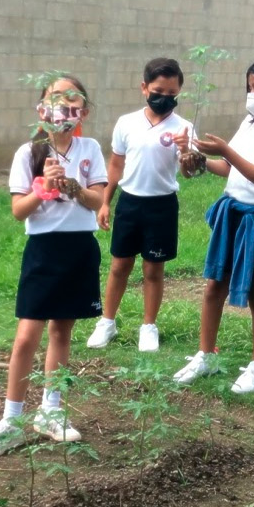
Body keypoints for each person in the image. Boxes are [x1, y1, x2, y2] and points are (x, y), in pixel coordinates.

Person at [172, 54, 254, 394]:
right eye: (250, 87)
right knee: (214, 284)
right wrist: (199, 158)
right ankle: (206, 354)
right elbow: (229, 168)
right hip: (233, 213)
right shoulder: (251, 123)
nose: (253, 94)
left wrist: (226, 153)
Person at [0, 75, 108, 456]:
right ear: (42, 109)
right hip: (43, 251)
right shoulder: (30, 151)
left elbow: (98, 202)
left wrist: (73, 186)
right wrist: (42, 188)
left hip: (79, 249)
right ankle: (11, 417)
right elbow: (17, 210)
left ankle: (51, 411)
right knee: (27, 336)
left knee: (62, 332)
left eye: (73, 99)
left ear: (83, 110)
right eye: (56, 98)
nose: (64, 106)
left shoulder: (90, 148)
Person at [88, 57, 195, 353]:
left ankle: (149, 327)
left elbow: (188, 172)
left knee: (153, 270)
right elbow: (115, 165)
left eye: (172, 93)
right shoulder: (127, 123)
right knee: (119, 265)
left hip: (162, 206)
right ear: (144, 87)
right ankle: (107, 322)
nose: (165, 98)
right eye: (159, 90)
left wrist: (186, 152)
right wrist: (105, 202)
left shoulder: (184, 128)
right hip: (130, 203)